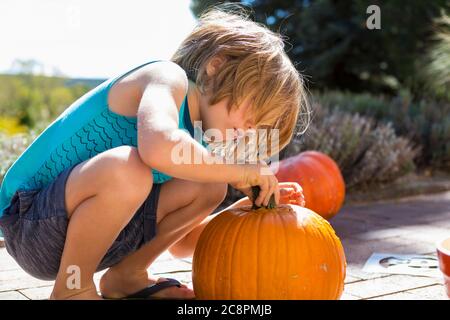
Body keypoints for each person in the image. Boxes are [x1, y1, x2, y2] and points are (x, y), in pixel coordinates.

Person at [0, 5, 309, 299]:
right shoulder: (166, 78)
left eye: (260, 128)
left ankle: (127, 276)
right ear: (217, 66)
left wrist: (240, 214)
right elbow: (159, 147)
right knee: (129, 167)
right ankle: (72, 289)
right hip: (30, 223)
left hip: (94, 237)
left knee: (210, 185)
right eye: (254, 111)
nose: (251, 131)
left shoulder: (197, 144)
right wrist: (237, 170)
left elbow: (182, 244)